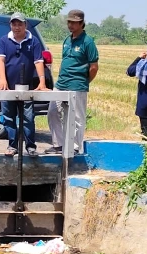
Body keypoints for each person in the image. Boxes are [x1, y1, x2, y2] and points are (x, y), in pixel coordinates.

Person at [46, 9, 99, 155]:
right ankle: (59, 145)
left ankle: (75, 147)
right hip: (61, 83)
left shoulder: (88, 42)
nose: (71, 25)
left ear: (82, 23)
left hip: (77, 84)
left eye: (74, 23)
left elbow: (94, 67)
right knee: (52, 112)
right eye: (69, 22)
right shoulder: (67, 40)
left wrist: (84, 81)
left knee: (77, 118)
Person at [0, 12, 47, 157]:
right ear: (10, 25)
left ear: (26, 25)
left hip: (27, 86)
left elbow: (38, 62)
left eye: (20, 24)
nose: (17, 27)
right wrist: (2, 79)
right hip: (9, 87)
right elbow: (1, 61)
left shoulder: (34, 41)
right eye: (14, 24)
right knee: (9, 117)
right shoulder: (4, 40)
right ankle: (12, 146)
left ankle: (30, 146)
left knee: (28, 118)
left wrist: (42, 81)